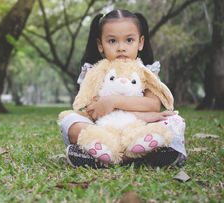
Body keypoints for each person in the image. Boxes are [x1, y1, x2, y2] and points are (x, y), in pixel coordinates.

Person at [60, 9, 186, 168]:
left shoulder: (147, 70)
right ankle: (139, 156)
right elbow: (94, 111)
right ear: (100, 44)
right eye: (112, 41)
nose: (121, 47)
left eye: (129, 40)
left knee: (175, 121)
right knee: (71, 123)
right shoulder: (94, 71)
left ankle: (107, 157)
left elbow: (153, 104)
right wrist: (145, 113)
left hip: (139, 127)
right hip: (104, 128)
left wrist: (113, 101)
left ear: (140, 42)